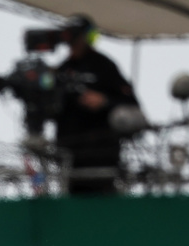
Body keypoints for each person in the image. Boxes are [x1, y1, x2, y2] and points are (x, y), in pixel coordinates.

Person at [55, 15, 140, 196]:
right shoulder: (61, 71)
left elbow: (132, 105)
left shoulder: (104, 66)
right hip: (69, 160)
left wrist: (105, 102)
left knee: (102, 210)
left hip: (102, 159)